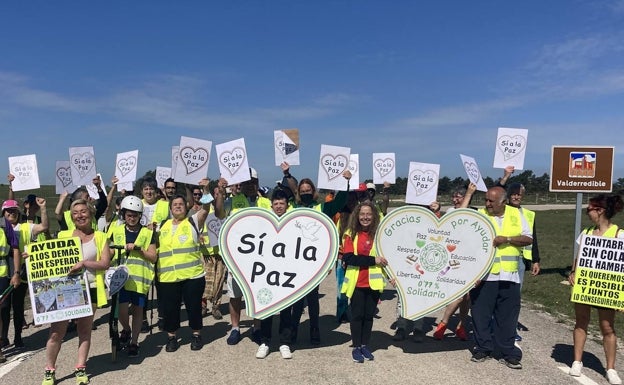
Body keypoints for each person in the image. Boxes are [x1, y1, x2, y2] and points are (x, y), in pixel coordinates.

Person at [461, 183, 532, 370]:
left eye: (491, 201)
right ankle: (483, 347)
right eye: (485, 200)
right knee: (480, 314)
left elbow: (528, 238)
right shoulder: (481, 216)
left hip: (509, 276)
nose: (487, 204)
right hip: (485, 276)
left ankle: (508, 352)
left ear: (503, 201)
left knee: (507, 316)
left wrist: (507, 239)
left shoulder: (516, 215)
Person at [41, 199, 111, 385]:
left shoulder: (100, 237)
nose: (80, 215)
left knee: (84, 330)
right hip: (65, 289)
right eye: (75, 213)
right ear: (71, 217)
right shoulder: (64, 235)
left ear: (90, 214)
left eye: (83, 211)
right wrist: (32, 255)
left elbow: (105, 263)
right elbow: (49, 256)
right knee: (57, 332)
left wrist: (85, 263)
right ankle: (49, 370)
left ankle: (80, 368)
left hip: (90, 289)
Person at [282, 162, 351, 344]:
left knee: (312, 297)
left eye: (308, 190)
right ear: (298, 192)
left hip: (314, 261)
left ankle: (314, 328)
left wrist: (345, 183)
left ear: (313, 191)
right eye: (302, 190)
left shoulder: (322, 208)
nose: (305, 192)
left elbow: (341, 201)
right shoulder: (292, 209)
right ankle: (294, 327)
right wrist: (287, 174)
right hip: (295, 260)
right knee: (296, 297)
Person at [568, 194, 624, 384]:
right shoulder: (586, 232)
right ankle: (577, 361)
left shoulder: (619, 235)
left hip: (606, 286)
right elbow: (578, 256)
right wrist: (573, 271)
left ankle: (610, 369)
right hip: (585, 285)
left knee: (607, 327)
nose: (587, 212)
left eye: (590, 209)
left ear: (599, 210)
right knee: (581, 321)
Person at [157, 178, 213, 353]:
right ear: (170, 208)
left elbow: (206, 208)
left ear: (186, 207)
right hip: (167, 277)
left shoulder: (192, 222)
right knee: (170, 310)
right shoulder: (161, 226)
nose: (178, 206)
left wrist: (205, 190)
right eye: (175, 205)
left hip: (192, 276)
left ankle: (196, 334)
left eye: (181, 204)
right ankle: (172, 337)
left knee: (193, 307)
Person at [219, 168, 270, 346]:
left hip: (259, 258)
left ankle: (257, 327)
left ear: (257, 183)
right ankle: (235, 328)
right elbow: (218, 212)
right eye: (246, 182)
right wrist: (219, 191)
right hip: (236, 258)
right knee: (235, 295)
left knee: (256, 294)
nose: (250, 185)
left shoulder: (266, 202)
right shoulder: (232, 201)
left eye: (252, 182)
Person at [109, 195, 157, 357]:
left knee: (137, 310)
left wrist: (139, 249)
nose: (132, 218)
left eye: (135, 215)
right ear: (123, 215)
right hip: (120, 279)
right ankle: (127, 329)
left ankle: (135, 342)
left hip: (139, 279)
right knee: (121, 309)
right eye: (129, 215)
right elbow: (108, 252)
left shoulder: (147, 233)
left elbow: (153, 256)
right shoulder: (115, 231)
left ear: (140, 216)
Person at [340, 201, 388, 363]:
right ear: (357, 216)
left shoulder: (380, 234)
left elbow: (387, 258)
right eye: (362, 214)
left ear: (374, 216)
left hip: (373, 283)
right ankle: (356, 347)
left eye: (369, 214)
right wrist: (373, 260)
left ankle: (365, 345)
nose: (365, 217)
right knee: (357, 316)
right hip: (357, 282)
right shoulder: (350, 233)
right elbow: (348, 257)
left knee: (368, 316)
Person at [1, 197, 48, 349]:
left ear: (18, 212)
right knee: (4, 307)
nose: (11, 213)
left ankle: (18, 336)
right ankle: (4, 337)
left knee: (18, 304)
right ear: (3, 213)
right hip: (4, 271)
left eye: (14, 211)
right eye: (8, 211)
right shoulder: (1, 228)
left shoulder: (26, 227)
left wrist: (43, 208)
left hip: (21, 271)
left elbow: (45, 226)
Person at [255, 188, 295, 359]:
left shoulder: (293, 222)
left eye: (282, 203)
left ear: (287, 205)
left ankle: (284, 342)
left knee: (286, 308)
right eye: (276, 203)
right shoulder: (265, 221)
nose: (279, 206)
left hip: (286, 273)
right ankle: (265, 342)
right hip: (267, 272)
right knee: (266, 307)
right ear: (271, 205)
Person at [432, 186, 474, 341]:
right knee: (459, 294)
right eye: (454, 197)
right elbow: (459, 218)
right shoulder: (451, 212)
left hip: (469, 258)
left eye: (458, 197)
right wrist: (469, 193)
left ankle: (461, 325)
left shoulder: (475, 213)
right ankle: (444, 322)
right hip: (453, 258)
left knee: (467, 296)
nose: (455, 200)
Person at [200, 186, 228, 320]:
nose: (217, 196)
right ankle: (203, 305)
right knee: (205, 281)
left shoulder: (226, 210)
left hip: (221, 253)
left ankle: (216, 307)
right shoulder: (204, 210)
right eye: (215, 194)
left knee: (219, 281)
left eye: (220, 194)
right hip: (206, 252)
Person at [0, 202, 20, 363]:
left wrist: (16, 273)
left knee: (2, 309)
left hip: (2, 274)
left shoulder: (4, 225)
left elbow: (15, 248)